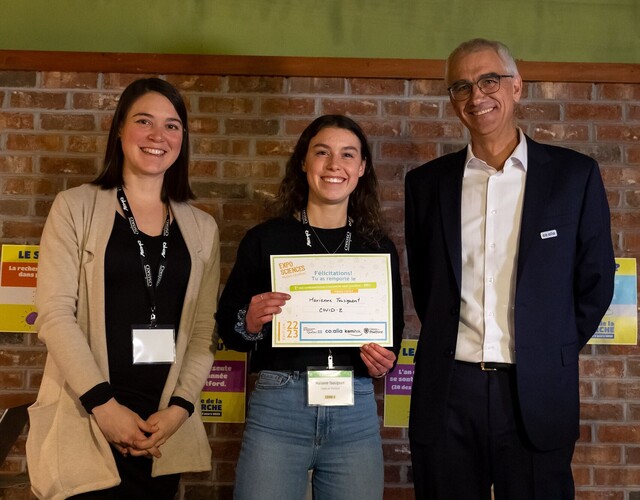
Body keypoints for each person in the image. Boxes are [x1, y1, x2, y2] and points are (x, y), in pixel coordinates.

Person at [405, 38, 615, 499]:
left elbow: (596, 283)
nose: (476, 96)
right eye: (461, 86)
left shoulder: (573, 176)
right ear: (452, 99)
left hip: (535, 392)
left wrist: (547, 346)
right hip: (449, 393)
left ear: (517, 87)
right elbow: (426, 286)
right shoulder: (426, 185)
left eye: (489, 81)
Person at [26, 78, 220, 500]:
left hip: (160, 433)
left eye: (172, 125)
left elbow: (205, 331)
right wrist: (104, 407)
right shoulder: (74, 207)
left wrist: (179, 410)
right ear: (119, 129)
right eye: (144, 121)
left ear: (182, 138)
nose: (158, 136)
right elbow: (55, 315)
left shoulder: (202, 228)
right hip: (87, 421)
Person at [216, 114, 404, 500]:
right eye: (322, 152)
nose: (335, 165)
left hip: (355, 409)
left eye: (348, 155)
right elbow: (230, 330)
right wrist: (249, 322)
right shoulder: (265, 239)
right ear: (304, 162)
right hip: (279, 406)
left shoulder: (377, 247)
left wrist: (384, 361)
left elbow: (392, 337)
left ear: (362, 168)